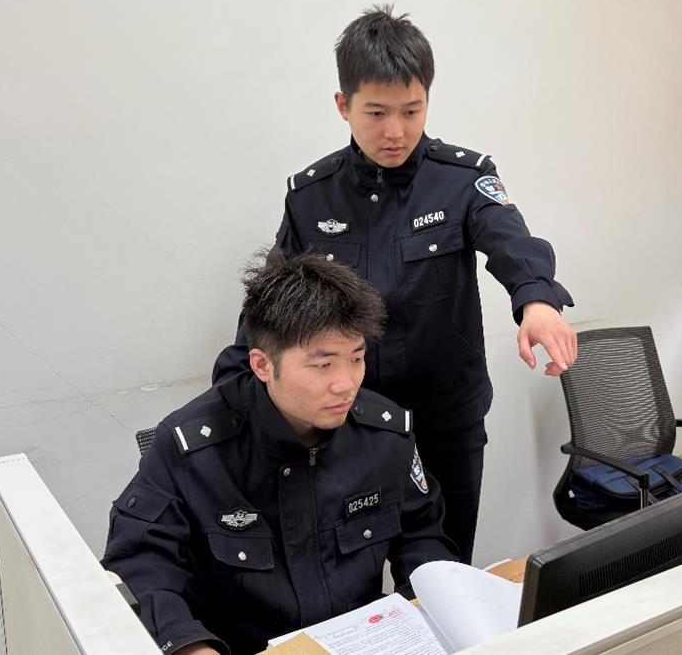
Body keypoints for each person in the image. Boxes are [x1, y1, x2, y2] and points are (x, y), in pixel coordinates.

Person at [213, 5, 577, 565]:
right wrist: (239, 381)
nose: (395, 131)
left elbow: (512, 240)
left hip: (444, 420)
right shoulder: (311, 196)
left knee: (444, 567)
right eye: (376, 112)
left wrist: (538, 300)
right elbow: (274, 301)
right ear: (344, 105)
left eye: (412, 111)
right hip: (347, 421)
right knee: (346, 571)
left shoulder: (462, 178)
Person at [104, 251, 458, 655]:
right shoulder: (192, 448)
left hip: (362, 642)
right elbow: (141, 563)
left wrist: (422, 618)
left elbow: (424, 538)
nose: (346, 384)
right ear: (262, 365)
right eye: (323, 365)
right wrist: (189, 646)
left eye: (357, 358)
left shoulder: (385, 434)